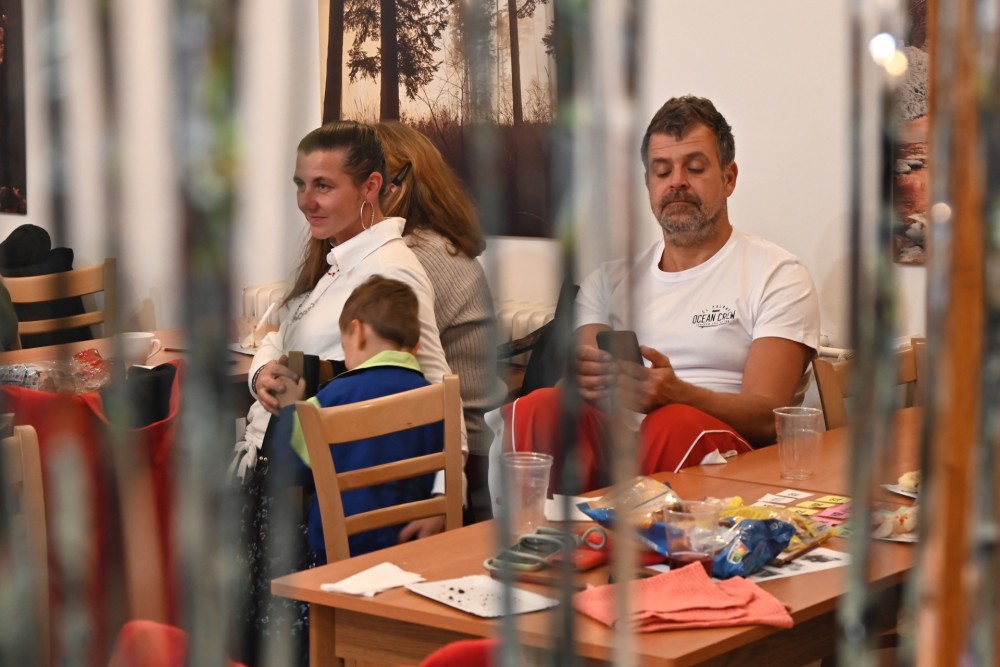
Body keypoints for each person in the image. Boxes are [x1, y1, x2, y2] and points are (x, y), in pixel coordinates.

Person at [498, 95, 820, 492]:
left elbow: (769, 414)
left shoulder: (778, 274)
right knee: (538, 407)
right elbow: (581, 383)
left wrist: (679, 394)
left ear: (729, 178)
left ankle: (657, 530)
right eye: (662, 170)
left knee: (671, 423)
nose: (677, 182)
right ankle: (539, 529)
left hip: (726, 457)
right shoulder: (608, 282)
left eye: (695, 168)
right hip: (617, 443)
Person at [233, 120, 462, 539]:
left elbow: (437, 390)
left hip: (311, 496)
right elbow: (279, 336)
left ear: (370, 186)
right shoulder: (340, 260)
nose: (306, 201)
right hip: (272, 474)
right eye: (300, 184)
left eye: (323, 186)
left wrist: (443, 497)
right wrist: (261, 372)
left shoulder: (390, 270)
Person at [374, 121, 506, 521]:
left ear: (397, 186)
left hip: (462, 451)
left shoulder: (418, 254)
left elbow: (378, 360)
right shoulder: (427, 244)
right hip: (452, 433)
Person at [269, 275, 444, 562]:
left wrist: (291, 409)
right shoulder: (435, 399)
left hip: (341, 558)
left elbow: (286, 469)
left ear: (357, 332)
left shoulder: (330, 400)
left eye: (344, 344)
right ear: (416, 347)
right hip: (412, 550)